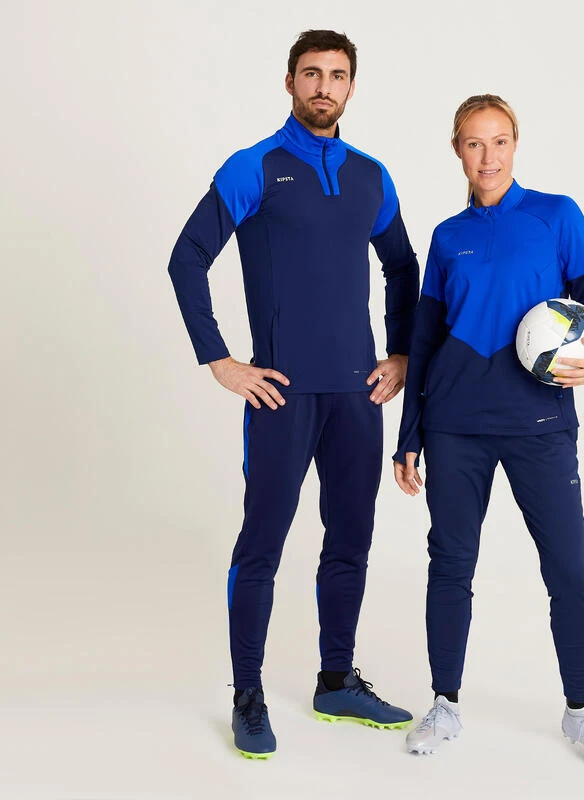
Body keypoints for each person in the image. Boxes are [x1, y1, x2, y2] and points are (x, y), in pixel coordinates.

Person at [168, 29, 419, 760]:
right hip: (280, 396)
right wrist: (220, 360)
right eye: (311, 73)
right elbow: (187, 257)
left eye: (337, 76)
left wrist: (401, 353)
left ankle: (336, 680)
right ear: (289, 82)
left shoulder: (371, 176)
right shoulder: (255, 166)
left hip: (357, 396)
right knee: (263, 543)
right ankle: (247, 694)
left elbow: (402, 267)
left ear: (351, 88)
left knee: (351, 540)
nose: (323, 87)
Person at [393, 94, 584, 770]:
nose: (487, 156)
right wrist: (409, 436)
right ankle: (444, 703)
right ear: (457, 151)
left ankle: (581, 711)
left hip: (540, 424)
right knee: (450, 564)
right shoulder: (447, 237)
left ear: (515, 145)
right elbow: (424, 340)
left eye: (499, 141)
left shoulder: (557, 215)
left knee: (568, 567)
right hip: (455, 426)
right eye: (474, 143)